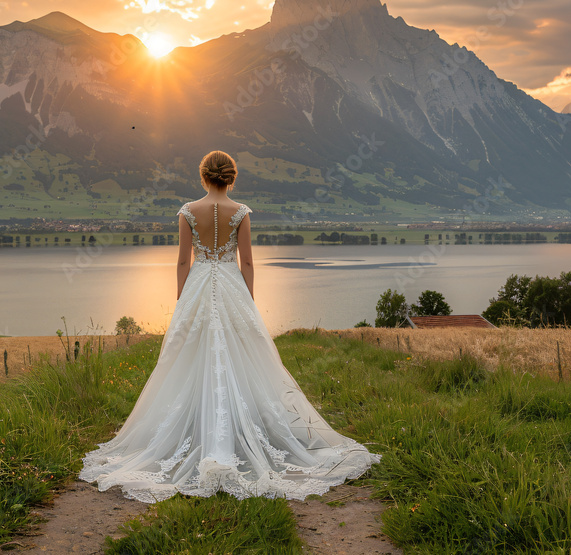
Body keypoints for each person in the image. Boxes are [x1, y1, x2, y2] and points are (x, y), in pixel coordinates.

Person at [79, 150, 381, 503]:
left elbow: (182, 260)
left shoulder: (187, 211)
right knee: (244, 357)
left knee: (191, 357)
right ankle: (239, 432)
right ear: (231, 177)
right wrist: (248, 302)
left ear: (204, 176)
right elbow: (248, 261)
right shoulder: (241, 212)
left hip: (198, 285)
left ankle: (196, 431)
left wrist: (182, 301)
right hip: (231, 284)